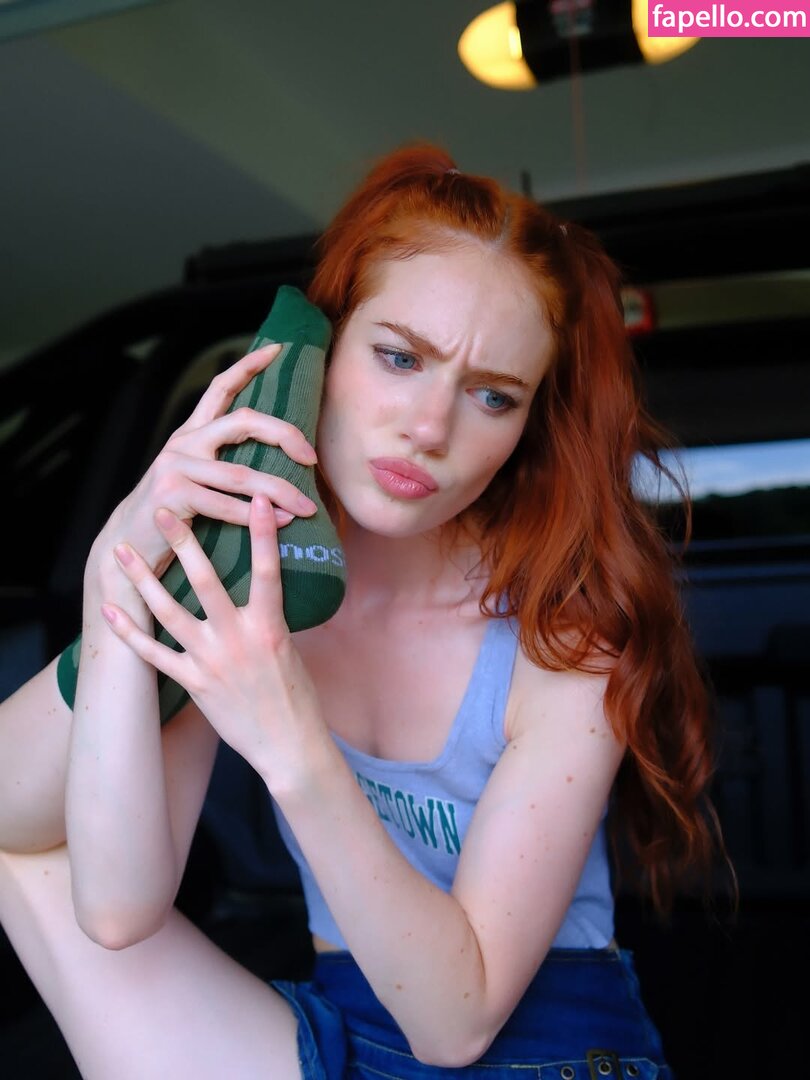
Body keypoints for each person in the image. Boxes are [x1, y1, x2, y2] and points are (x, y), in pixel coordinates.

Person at [0, 143, 727, 1079]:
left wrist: (289, 738)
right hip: (341, 1027)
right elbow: (115, 909)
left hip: (539, 1047)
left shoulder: (566, 641)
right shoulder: (253, 583)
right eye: (398, 357)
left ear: (525, 428)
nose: (429, 427)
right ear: (319, 352)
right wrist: (123, 582)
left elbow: (457, 1027)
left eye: (492, 396)